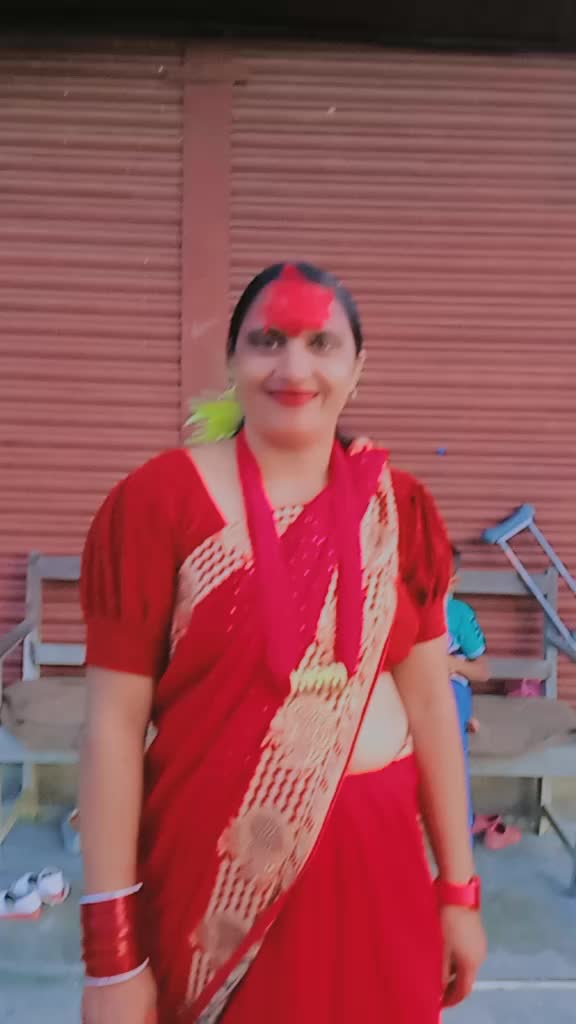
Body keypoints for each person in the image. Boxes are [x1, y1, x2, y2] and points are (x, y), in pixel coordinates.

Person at [79, 262, 486, 1024]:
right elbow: (111, 727)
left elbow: (434, 709)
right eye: (268, 341)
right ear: (231, 359)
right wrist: (112, 957)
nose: (294, 368)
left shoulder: (397, 508)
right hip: (214, 894)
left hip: (383, 878)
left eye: (321, 344)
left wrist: (459, 893)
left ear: (357, 370)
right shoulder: (158, 503)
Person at [446, 549, 490, 828]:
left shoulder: (459, 614)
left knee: (452, 757)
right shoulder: (403, 607)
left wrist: (450, 664)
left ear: (453, 582)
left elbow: (483, 671)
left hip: (450, 687)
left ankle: (463, 825)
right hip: (411, 689)